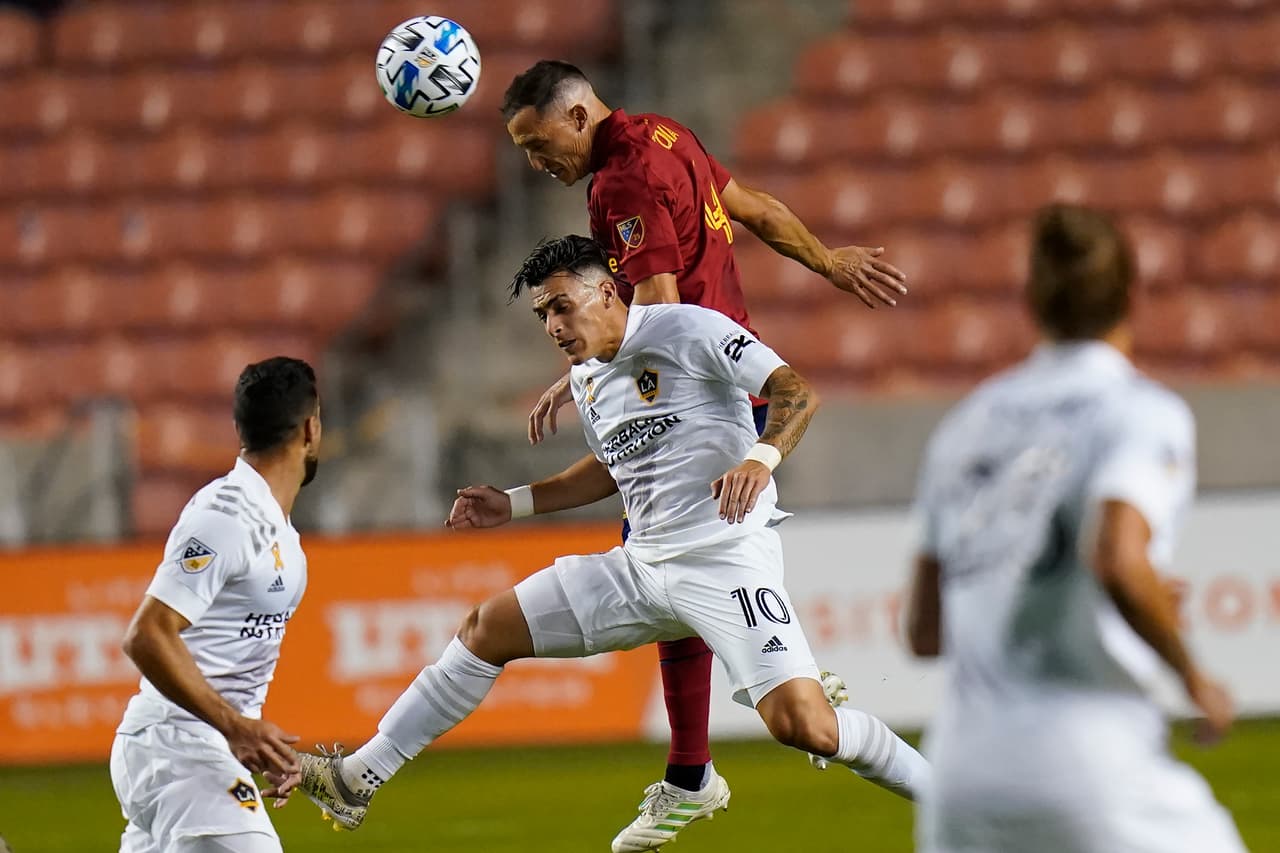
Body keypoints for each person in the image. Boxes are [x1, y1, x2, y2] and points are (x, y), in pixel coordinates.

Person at [290, 236, 929, 847]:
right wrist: (512, 503)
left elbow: (797, 393)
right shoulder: (587, 378)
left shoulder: (688, 329)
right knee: (486, 627)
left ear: (606, 294)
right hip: (642, 567)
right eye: (542, 314)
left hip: (724, 557)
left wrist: (760, 459)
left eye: (562, 306)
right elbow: (611, 467)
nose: (553, 326)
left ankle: (953, 797)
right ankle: (358, 777)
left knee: (807, 727)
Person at [501, 59, 906, 846]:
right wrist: (829, 259)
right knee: (675, 566)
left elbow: (656, 311)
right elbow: (750, 205)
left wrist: (588, 374)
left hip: (701, 386)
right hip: (735, 372)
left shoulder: (619, 184)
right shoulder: (666, 134)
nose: (532, 162)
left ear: (578, 116)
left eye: (536, 141)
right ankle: (709, 748)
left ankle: (732, 724)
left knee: (661, 558)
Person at [905, 204, 1246, 853]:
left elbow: (925, 632)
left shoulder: (966, 424)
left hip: (959, 780)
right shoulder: (1140, 411)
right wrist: (1192, 674)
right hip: (1087, 760)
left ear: (1031, 298)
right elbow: (1117, 556)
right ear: (1130, 294)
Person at [110, 357, 322, 853]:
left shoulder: (273, 526)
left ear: (238, 428)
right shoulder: (226, 516)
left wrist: (252, 736)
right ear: (311, 429)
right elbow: (146, 634)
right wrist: (236, 727)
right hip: (177, 749)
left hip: (198, 750)